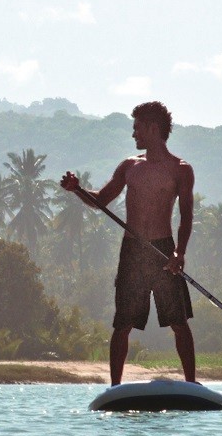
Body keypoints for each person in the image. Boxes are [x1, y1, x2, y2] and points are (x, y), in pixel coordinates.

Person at [61, 101, 196, 385]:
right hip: (133, 251)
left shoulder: (181, 170)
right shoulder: (129, 166)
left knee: (178, 323)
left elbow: (186, 217)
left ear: (153, 128)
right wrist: (77, 190)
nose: (134, 134)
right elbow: (100, 201)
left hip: (163, 250)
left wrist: (179, 253)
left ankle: (191, 383)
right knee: (122, 324)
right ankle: (115, 387)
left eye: (137, 128)